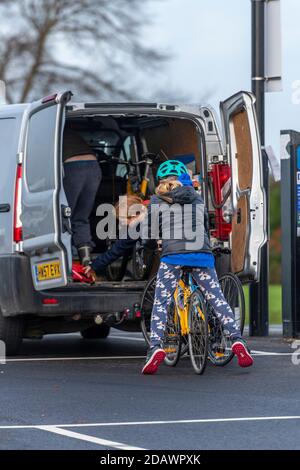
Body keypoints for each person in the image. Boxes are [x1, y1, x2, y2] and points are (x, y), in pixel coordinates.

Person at [86, 160, 254, 374]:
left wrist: (154, 243)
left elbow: (146, 235)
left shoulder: (156, 200)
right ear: (184, 176)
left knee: (162, 302)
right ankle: (237, 341)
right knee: (216, 297)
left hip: (173, 257)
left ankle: (156, 347)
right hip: (202, 255)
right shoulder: (197, 198)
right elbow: (202, 224)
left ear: (161, 180)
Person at [63, 127, 102, 266]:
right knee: (80, 217)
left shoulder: (51, 129)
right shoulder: (73, 133)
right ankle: (86, 260)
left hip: (71, 167)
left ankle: (64, 261)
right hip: (93, 166)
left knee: (63, 215)